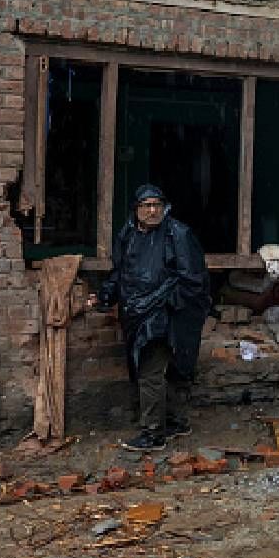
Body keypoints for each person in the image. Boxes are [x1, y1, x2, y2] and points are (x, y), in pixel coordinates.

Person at [87, 184, 211, 452]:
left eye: (157, 205)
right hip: (137, 313)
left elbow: (194, 280)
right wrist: (105, 296)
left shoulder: (178, 235)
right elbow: (121, 272)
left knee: (150, 373)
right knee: (158, 371)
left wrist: (166, 304)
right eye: (146, 205)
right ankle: (175, 421)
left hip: (165, 315)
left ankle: (153, 433)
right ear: (137, 209)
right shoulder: (128, 235)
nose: (152, 210)